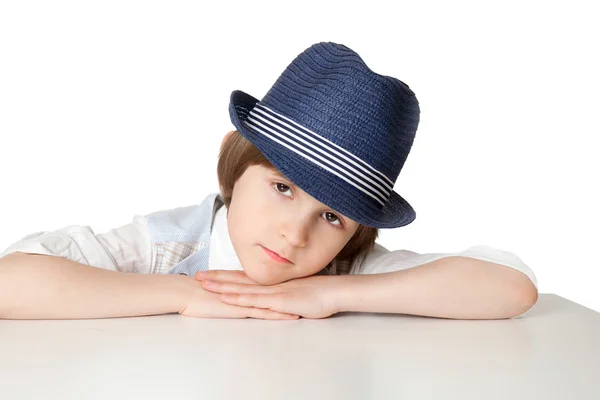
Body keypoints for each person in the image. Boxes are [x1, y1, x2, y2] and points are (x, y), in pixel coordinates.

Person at [0, 42, 538, 321]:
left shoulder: (344, 268)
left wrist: (330, 294)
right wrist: (185, 296)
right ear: (235, 173)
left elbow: (509, 288)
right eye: (284, 188)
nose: (295, 236)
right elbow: (11, 282)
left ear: (353, 233)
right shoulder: (167, 246)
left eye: (332, 216)